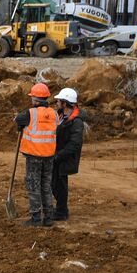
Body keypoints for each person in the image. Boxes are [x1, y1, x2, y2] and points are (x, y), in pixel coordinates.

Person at [14, 82, 59, 227]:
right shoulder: (53, 113)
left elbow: (18, 120)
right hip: (49, 156)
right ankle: (49, 217)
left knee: (34, 186)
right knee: (46, 186)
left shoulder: (30, 113)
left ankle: (35, 218)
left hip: (34, 157)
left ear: (35, 99)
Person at [50, 88, 83, 221]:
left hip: (64, 158)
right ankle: (60, 209)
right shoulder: (61, 116)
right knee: (54, 183)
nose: (56, 102)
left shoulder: (76, 122)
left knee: (60, 185)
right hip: (58, 156)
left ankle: (61, 212)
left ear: (65, 103)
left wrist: (58, 156)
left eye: (59, 100)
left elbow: (74, 144)